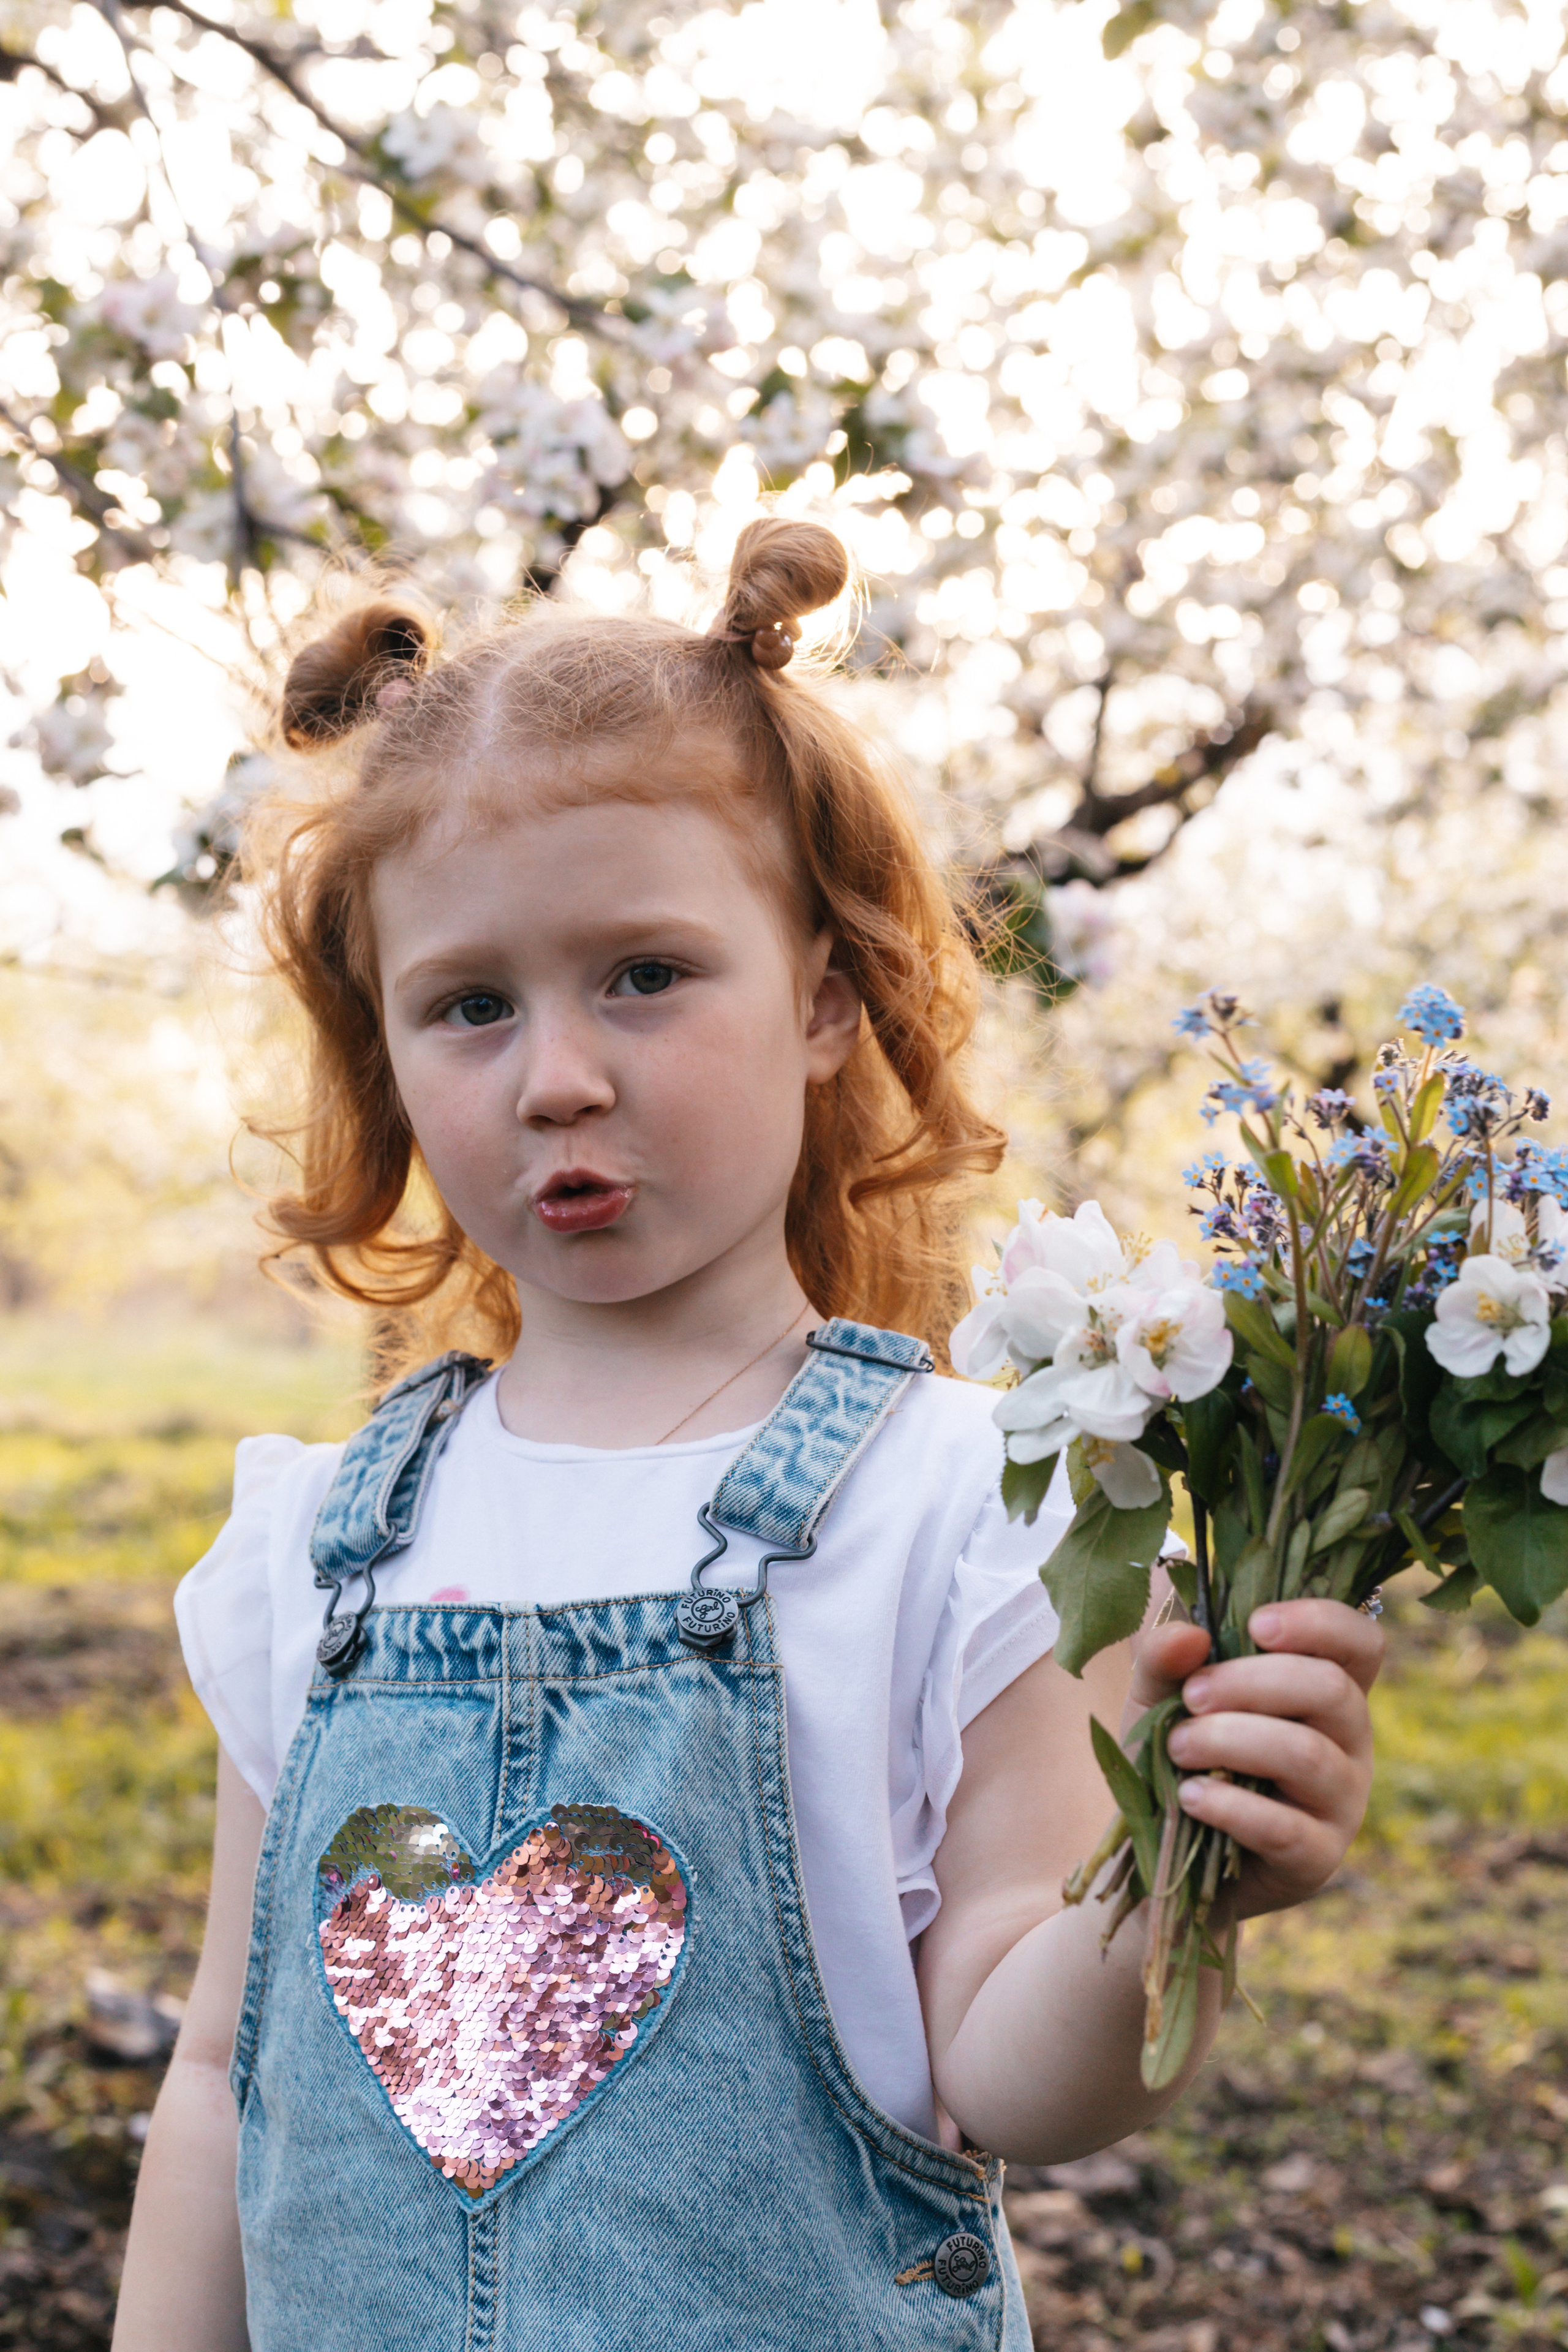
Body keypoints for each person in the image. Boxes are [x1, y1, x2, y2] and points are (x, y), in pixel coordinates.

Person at [111, 519, 1381, 2351]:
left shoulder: (966, 1506)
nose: (558, 1073)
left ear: (823, 1000)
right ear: (389, 1061)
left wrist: (1174, 1897)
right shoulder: (320, 1547)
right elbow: (229, 2080)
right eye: (470, 1006)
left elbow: (1015, 2079)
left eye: (644, 973)